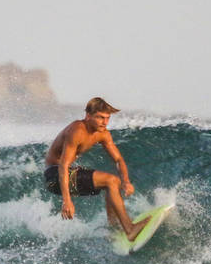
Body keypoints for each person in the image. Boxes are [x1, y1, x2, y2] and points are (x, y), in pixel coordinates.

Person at [44, 97, 149, 241]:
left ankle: (114, 228)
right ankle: (130, 229)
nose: (105, 122)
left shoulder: (103, 134)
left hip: (65, 173)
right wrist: (67, 201)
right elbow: (63, 165)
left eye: (107, 118)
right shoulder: (77, 130)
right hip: (54, 175)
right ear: (88, 116)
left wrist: (125, 181)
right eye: (100, 117)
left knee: (115, 183)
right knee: (111, 181)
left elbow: (118, 159)